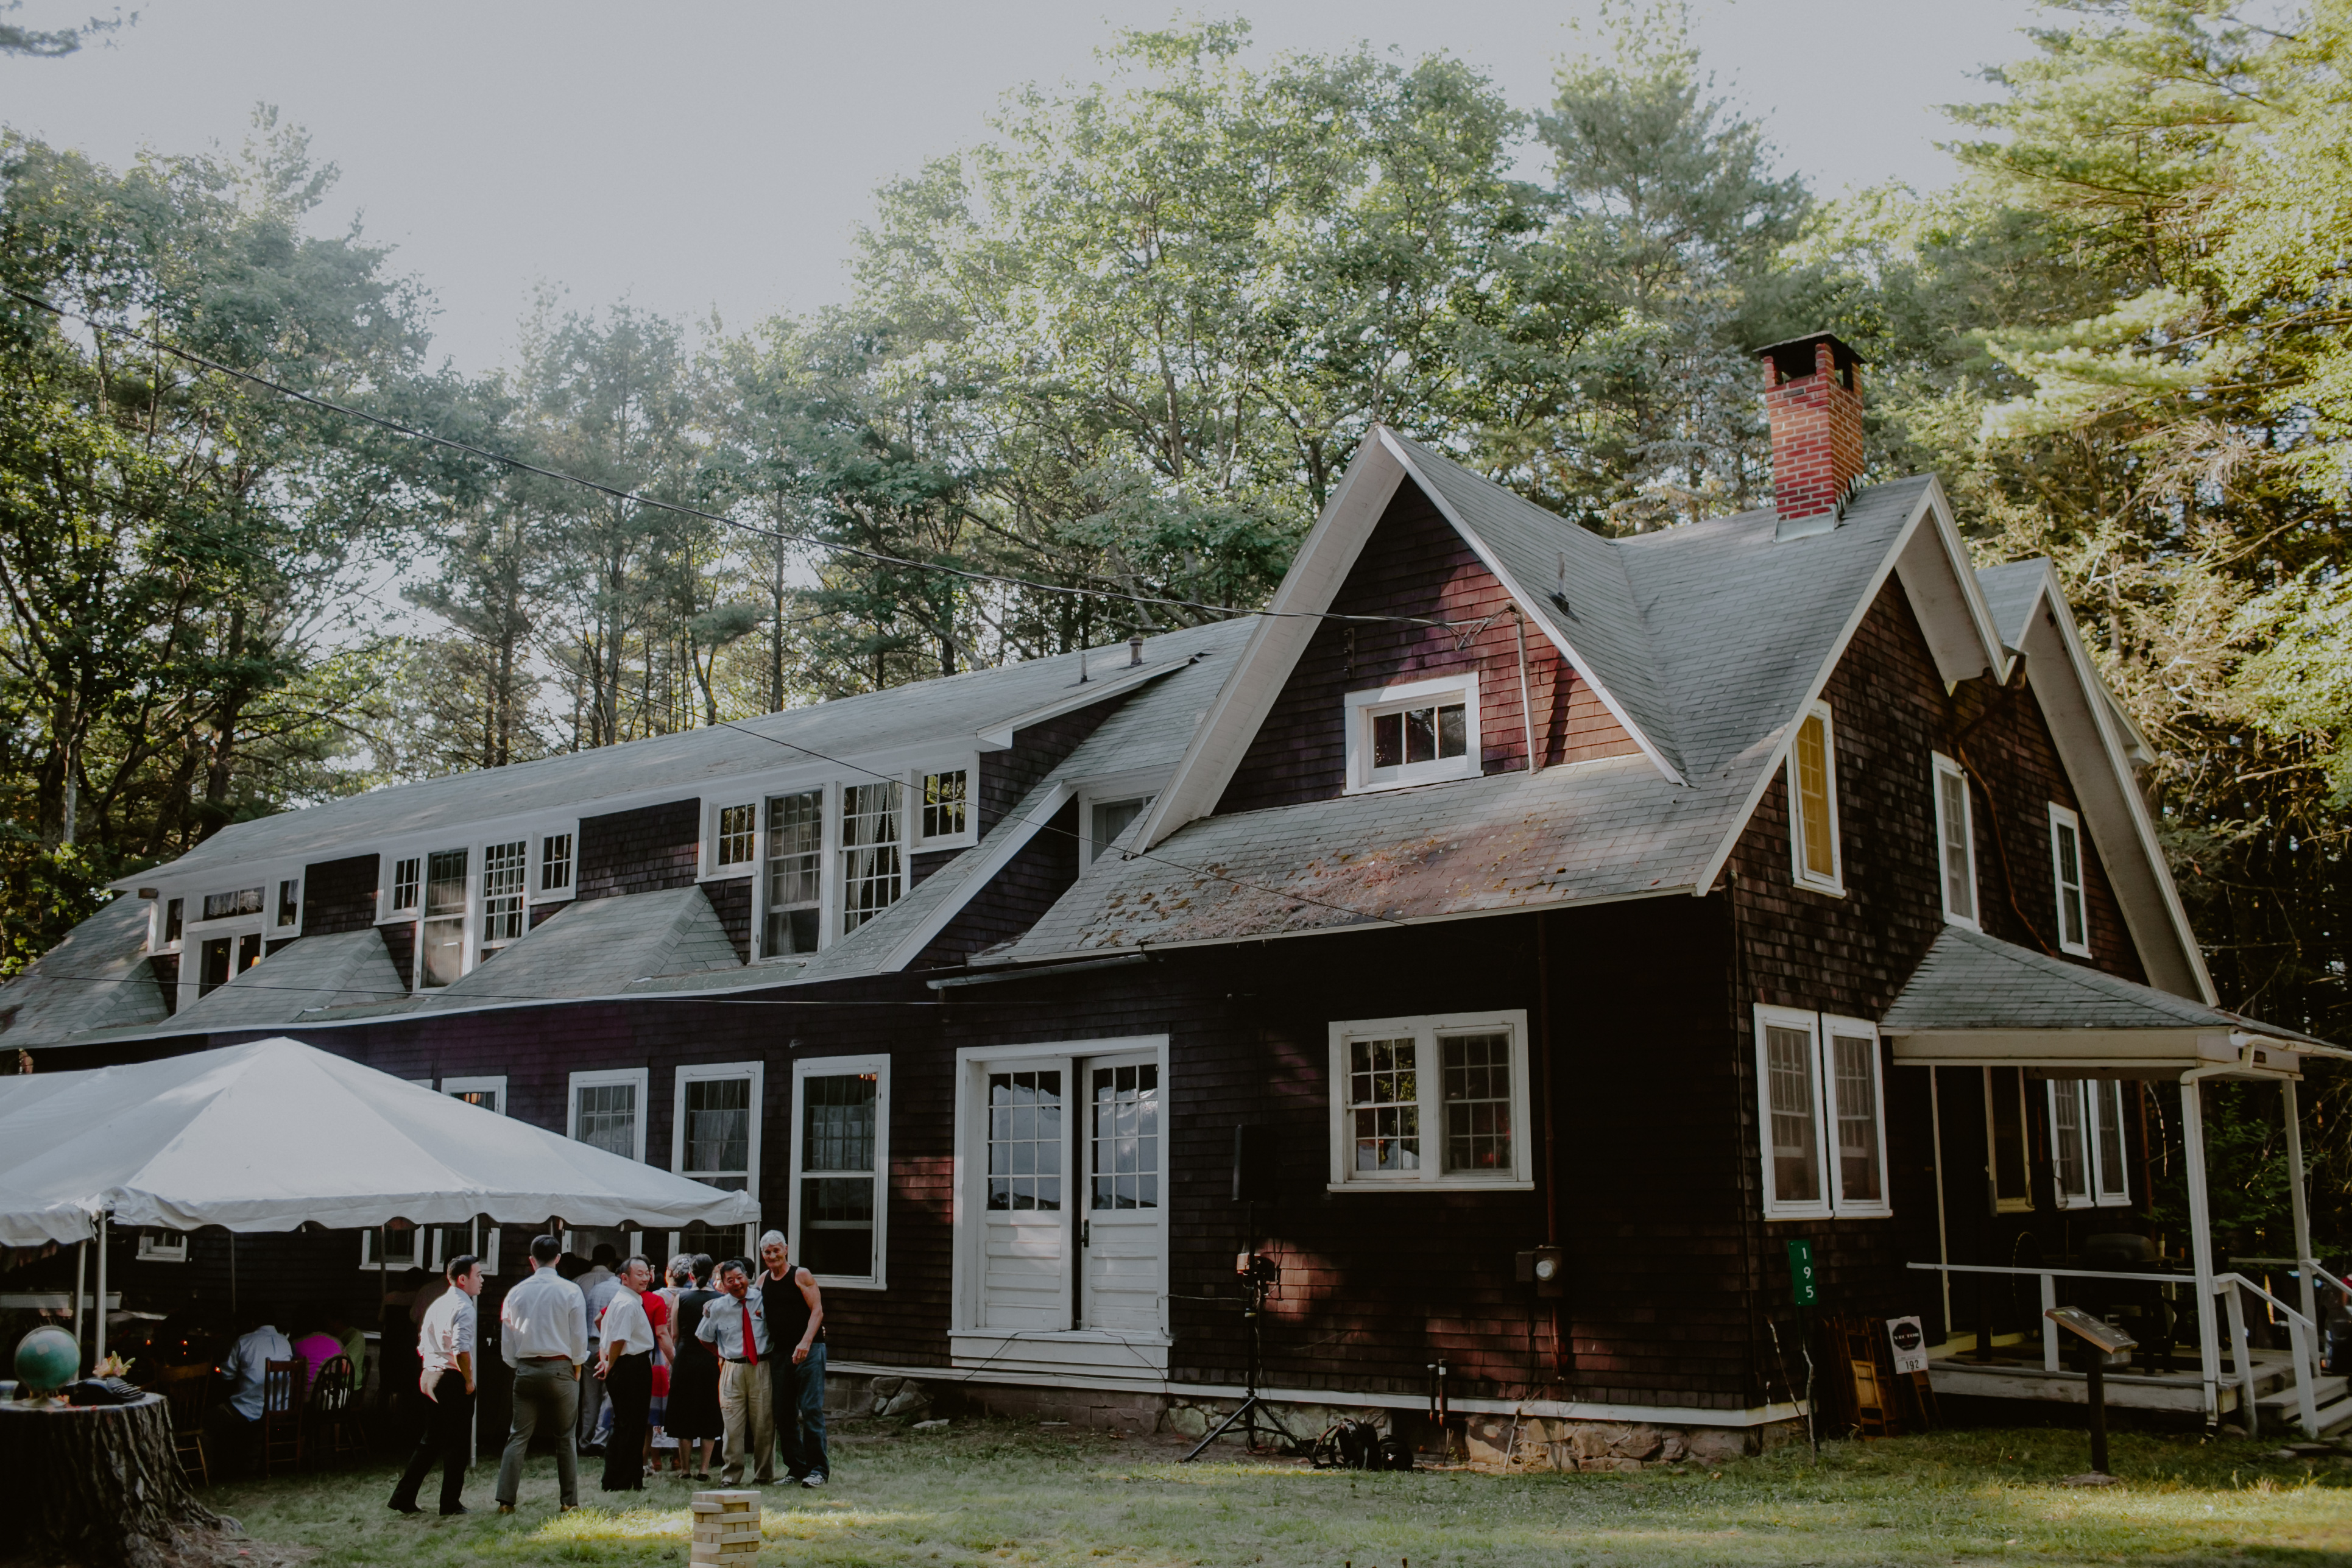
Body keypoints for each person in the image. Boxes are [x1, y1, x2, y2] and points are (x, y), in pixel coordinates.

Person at [495, 1234, 588, 1516]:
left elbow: (507, 1337)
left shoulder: (516, 1292)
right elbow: (578, 1335)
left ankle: (506, 1501)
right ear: (558, 1259)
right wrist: (578, 1364)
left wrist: (516, 1364)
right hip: (561, 1367)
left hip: (526, 1367)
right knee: (566, 1438)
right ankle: (569, 1502)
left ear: (531, 1260)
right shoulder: (570, 1290)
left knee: (518, 1436)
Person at [389, 1254, 484, 1516]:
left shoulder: (437, 1304)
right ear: (463, 1279)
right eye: (478, 1275)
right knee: (457, 1444)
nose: (482, 1280)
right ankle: (450, 1503)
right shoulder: (464, 1307)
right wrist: (468, 1380)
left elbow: (421, 1342)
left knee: (431, 1441)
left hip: (431, 1373)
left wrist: (431, 1366)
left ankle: (403, 1496)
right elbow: (461, 1349)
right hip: (453, 1377)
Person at [694, 1259, 774, 1486]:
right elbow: (704, 1337)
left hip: (761, 1366)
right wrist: (721, 1354)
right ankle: (731, 1475)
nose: (737, 1283)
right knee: (732, 1424)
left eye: (740, 1278)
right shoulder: (717, 1307)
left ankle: (764, 1474)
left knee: (764, 1423)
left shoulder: (762, 1298)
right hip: (732, 1368)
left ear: (747, 1277)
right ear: (724, 1284)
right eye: (731, 1280)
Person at [760, 1231, 828, 1488]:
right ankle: (796, 1468)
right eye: (768, 1252)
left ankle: (818, 1470)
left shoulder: (801, 1275)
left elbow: (817, 1311)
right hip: (780, 1354)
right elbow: (747, 1308)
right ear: (763, 1255)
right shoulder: (763, 1280)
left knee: (810, 1409)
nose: (773, 1256)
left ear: (786, 1249)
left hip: (809, 1351)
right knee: (784, 1413)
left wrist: (806, 1342)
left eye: (777, 1250)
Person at [593, 1255, 657, 1492]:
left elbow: (603, 1330)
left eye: (646, 1273)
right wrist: (609, 1363)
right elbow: (618, 1338)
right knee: (629, 1426)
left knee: (629, 1425)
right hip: (631, 1366)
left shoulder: (623, 1300)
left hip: (627, 1364)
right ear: (624, 1277)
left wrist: (607, 1360)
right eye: (638, 1274)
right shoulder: (627, 1303)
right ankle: (619, 1481)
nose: (646, 1278)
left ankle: (627, 1480)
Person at [205, 1307, 292, 1475]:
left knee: (207, 1422)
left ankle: (209, 1472)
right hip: (280, 1407)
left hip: (248, 1410)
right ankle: (250, 1464)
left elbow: (227, 1375)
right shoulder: (285, 1342)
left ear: (252, 1323)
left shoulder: (244, 1341)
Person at [665, 1257, 722, 1479]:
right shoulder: (720, 1299)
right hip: (711, 1359)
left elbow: (675, 1334)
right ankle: (705, 1469)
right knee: (710, 1410)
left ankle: (686, 1469)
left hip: (686, 1358)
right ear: (711, 1275)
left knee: (684, 1412)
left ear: (691, 1275)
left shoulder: (682, 1298)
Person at [576, 1244, 620, 1453]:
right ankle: (600, 1440)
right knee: (608, 1395)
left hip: (587, 1344)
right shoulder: (619, 1288)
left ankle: (585, 1438)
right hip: (607, 1345)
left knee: (589, 1398)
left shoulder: (580, 1283)